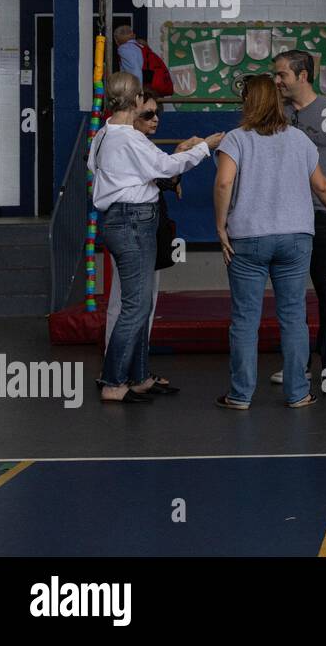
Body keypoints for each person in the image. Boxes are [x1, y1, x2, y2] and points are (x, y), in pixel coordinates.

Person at [213, 76, 326, 409]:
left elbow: (223, 183)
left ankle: (240, 395)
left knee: (245, 319)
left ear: (248, 102)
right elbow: (321, 186)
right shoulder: (300, 139)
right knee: (293, 315)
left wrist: (220, 227)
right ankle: (298, 393)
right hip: (295, 237)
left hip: (248, 238)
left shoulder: (236, 139)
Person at [90, 72, 220, 403]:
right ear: (135, 101)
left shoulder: (104, 135)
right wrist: (205, 147)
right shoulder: (128, 139)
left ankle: (137, 376)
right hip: (133, 221)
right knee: (136, 306)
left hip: (121, 219)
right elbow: (164, 167)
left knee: (139, 302)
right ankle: (114, 380)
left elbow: (103, 169)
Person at [272, 50, 326, 391]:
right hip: (285, 219)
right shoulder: (275, 114)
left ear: (303, 75)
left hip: (323, 217)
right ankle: (298, 365)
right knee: (291, 294)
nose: (277, 81)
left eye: (282, 75)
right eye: (276, 75)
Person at [104, 90, 181, 367]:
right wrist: (191, 152)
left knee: (142, 302)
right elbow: (161, 175)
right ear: (131, 116)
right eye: (147, 114)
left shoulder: (137, 146)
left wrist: (175, 167)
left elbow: (163, 177)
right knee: (128, 304)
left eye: (157, 113)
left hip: (148, 226)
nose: (155, 119)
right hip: (134, 227)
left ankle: (136, 370)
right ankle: (116, 369)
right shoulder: (125, 145)